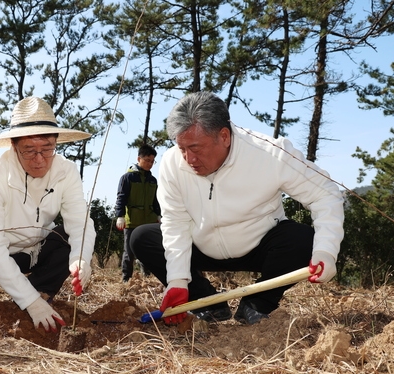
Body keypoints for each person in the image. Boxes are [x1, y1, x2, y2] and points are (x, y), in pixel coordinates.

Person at [130, 91, 344, 325]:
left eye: (195, 148)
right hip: (201, 246)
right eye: (182, 149)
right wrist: (178, 282)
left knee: (304, 240)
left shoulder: (270, 153)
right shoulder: (173, 163)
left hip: (259, 246)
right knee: (142, 238)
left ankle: (257, 304)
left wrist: (326, 251)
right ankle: (207, 303)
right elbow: (175, 222)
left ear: (224, 136)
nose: (188, 159)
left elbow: (325, 193)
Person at [0, 96, 96, 333]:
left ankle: (39, 289)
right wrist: (31, 304)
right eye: (29, 150)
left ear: (56, 142)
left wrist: (81, 258)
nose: (39, 159)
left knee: (67, 237)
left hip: (33, 252)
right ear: (13, 146)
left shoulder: (67, 170)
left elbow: (79, 222)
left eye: (47, 149)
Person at [114, 144, 161, 282]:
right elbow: (121, 197)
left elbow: (155, 200)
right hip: (132, 221)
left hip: (149, 221)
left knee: (149, 252)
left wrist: (158, 215)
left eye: (152, 161)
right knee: (129, 253)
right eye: (147, 160)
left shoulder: (153, 180)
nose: (150, 164)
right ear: (138, 158)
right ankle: (126, 279)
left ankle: (147, 277)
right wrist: (120, 216)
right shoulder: (127, 178)